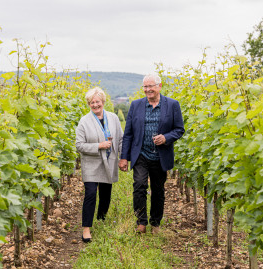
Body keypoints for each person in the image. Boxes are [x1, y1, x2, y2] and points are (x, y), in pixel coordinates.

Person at [118, 73, 184, 234]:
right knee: (139, 185)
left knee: (158, 189)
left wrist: (166, 138)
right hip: (141, 153)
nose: (148, 90)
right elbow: (128, 134)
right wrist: (124, 157)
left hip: (160, 155)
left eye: (151, 86)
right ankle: (141, 222)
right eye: (145, 87)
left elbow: (179, 129)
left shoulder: (172, 105)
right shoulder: (136, 105)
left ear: (159, 86)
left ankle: (155, 223)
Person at [76, 87, 123, 242]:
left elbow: (121, 139)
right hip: (91, 162)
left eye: (97, 101)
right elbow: (79, 145)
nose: (95, 105)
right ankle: (86, 229)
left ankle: (101, 219)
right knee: (90, 194)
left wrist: (123, 158)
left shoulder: (114, 118)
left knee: (105, 195)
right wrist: (98, 146)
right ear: (89, 104)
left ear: (103, 102)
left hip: (109, 162)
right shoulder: (84, 121)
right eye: (91, 102)